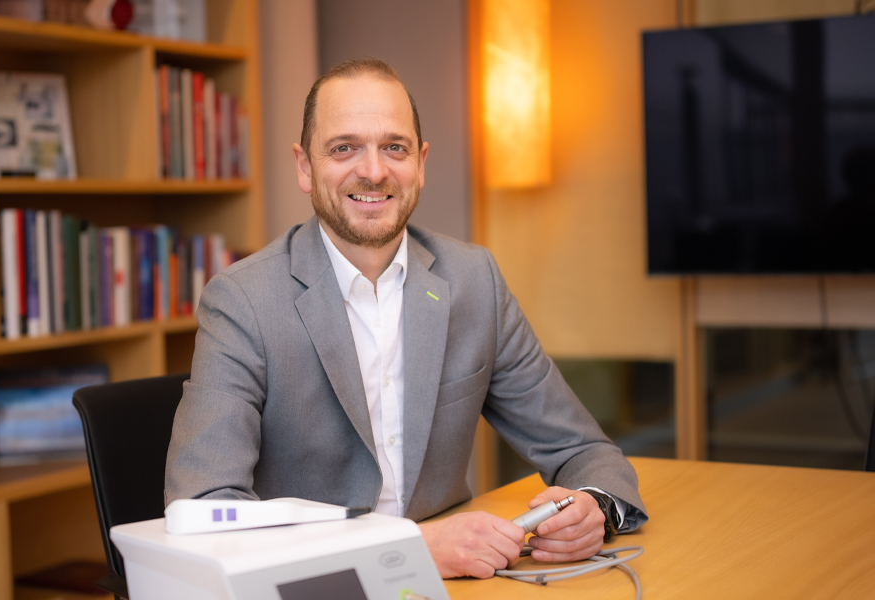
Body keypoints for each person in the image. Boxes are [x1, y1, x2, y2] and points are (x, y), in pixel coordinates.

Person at [165, 58, 648, 579]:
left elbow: (580, 447)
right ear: (304, 167)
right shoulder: (243, 301)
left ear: (420, 163)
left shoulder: (473, 280)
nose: (373, 171)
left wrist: (593, 507)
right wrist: (407, 546)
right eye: (344, 147)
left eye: (393, 147)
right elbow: (204, 509)